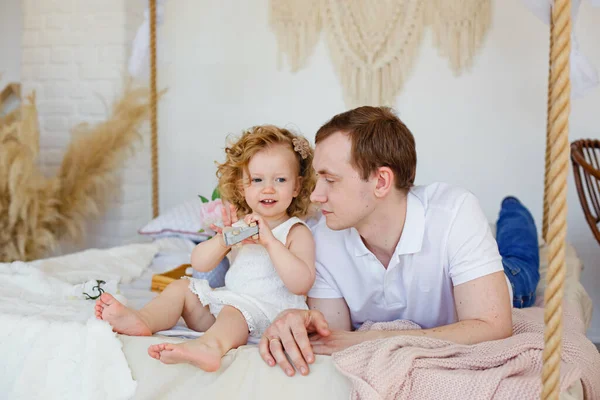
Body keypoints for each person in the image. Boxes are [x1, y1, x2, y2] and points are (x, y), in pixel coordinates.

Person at [259, 106, 515, 378]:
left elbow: (493, 325)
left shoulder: (455, 212)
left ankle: (514, 212)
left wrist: (369, 339)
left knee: (520, 260)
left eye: (330, 180)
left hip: (504, 279)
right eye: (317, 179)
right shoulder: (322, 238)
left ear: (381, 181)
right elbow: (334, 339)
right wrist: (302, 321)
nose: (315, 196)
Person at [95, 125, 317, 372]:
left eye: (280, 180)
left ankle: (209, 348)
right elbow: (199, 263)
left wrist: (271, 243)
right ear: (242, 187)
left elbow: (301, 284)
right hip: (229, 306)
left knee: (234, 312)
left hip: (270, 315)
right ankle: (143, 320)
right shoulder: (241, 225)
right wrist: (223, 240)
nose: (268, 188)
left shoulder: (296, 231)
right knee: (181, 287)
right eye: (257, 179)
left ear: (296, 186)